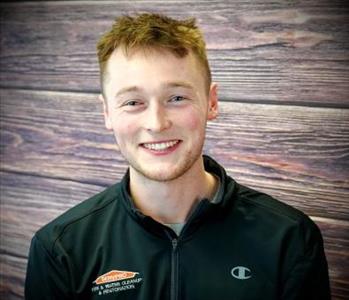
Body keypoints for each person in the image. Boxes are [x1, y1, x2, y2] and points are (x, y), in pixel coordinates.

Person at [25, 13, 331, 299]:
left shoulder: (289, 238)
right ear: (107, 113)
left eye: (177, 98)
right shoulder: (60, 248)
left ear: (211, 102)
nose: (157, 124)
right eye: (133, 102)